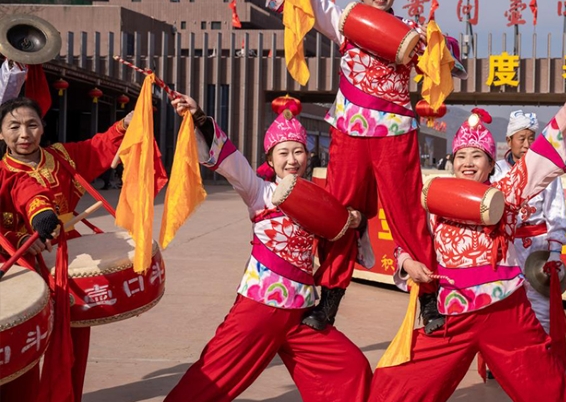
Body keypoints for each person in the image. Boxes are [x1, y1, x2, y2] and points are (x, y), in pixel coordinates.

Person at [267, 0, 459, 332]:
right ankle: (328, 300)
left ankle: (430, 301)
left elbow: (445, 55)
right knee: (339, 213)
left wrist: (445, 50)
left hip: (395, 134)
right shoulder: (344, 21)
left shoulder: (410, 32)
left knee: (407, 214)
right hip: (350, 131)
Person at [368, 71, 566, 402]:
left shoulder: (506, 194)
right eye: (461, 156)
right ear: (452, 162)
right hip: (450, 312)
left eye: (477, 156)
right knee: (398, 385)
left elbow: (538, 158)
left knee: (546, 388)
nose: (468, 163)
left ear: (491, 165)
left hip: (505, 310)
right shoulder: (433, 199)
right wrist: (407, 262)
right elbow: (408, 241)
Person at [164, 93, 372, 402]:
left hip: (301, 312)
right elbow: (230, 161)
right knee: (212, 378)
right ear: (270, 160)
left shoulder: (318, 199)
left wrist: (355, 219)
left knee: (349, 366)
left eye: (298, 151)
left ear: (308, 156)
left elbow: (344, 229)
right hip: (260, 307)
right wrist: (199, 116)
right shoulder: (259, 192)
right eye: (283, 153)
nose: (292, 159)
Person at [0, 96, 132, 401]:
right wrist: (25, 233)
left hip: (68, 259)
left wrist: (125, 125)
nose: (24, 134)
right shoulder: (5, 173)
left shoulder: (60, 157)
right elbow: (30, 195)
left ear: (43, 127)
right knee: (28, 341)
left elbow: (96, 148)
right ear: (1, 133)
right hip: (22, 263)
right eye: (14, 126)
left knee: (74, 339)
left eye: (32, 124)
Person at [491, 109, 566, 335]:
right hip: (506, 245)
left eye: (531, 138)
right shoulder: (495, 171)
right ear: (509, 141)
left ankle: (541, 359)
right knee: (504, 301)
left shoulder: (546, 170)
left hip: (538, 247)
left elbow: (556, 212)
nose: (527, 144)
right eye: (521, 138)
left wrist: (555, 252)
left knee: (540, 306)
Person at [0, 170, 60, 402]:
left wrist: (41, 214)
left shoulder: (6, 175)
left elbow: (25, 187)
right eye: (14, 128)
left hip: (7, 268)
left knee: (18, 378)